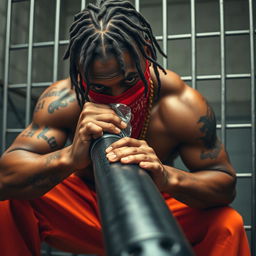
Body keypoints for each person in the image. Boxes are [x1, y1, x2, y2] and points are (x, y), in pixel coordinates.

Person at [0, 0, 251, 255]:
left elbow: (224, 184)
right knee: (9, 203)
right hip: (80, 211)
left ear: (146, 52)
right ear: (79, 72)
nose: (118, 97)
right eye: (100, 87)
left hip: (155, 210)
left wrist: (167, 177)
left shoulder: (179, 104)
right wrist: (68, 157)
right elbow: (4, 178)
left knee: (227, 224)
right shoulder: (63, 100)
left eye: (130, 80)